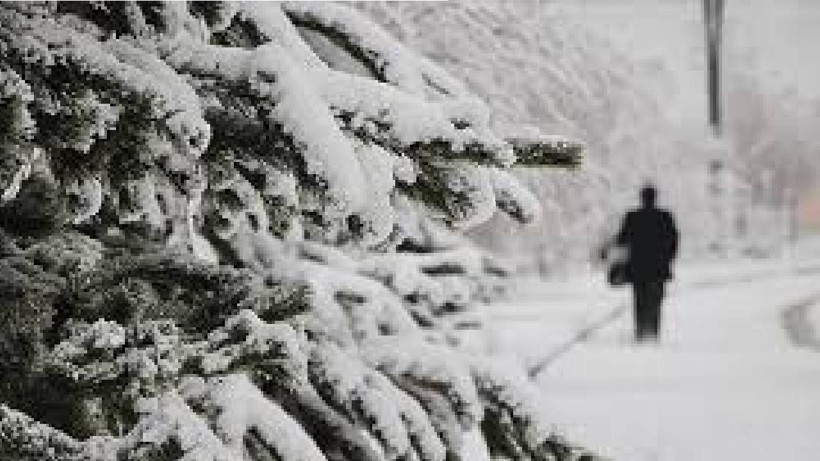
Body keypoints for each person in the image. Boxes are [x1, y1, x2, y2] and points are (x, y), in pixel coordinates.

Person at [616, 185, 679, 342]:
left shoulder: (632, 217)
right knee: (656, 300)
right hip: (659, 267)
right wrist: (668, 258)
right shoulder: (665, 217)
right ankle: (654, 332)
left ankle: (640, 331)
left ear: (642, 198)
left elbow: (622, 239)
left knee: (639, 300)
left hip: (638, 268)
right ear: (655, 197)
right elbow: (674, 240)